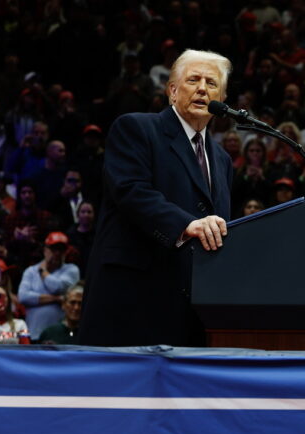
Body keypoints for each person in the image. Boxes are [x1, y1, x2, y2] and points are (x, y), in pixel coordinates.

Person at [80, 49, 234, 347]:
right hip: (134, 301)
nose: (203, 88)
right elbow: (131, 191)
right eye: (193, 80)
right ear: (172, 91)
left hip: (192, 312)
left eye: (212, 84)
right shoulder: (136, 128)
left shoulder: (223, 160)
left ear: (222, 100)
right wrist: (186, 224)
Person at [18, 231, 80, 341]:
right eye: (53, 249)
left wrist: (43, 272)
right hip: (33, 333)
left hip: (60, 335)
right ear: (45, 250)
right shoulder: (31, 271)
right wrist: (56, 299)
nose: (57, 253)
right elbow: (23, 297)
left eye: (61, 250)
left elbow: (57, 287)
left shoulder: (71, 270)